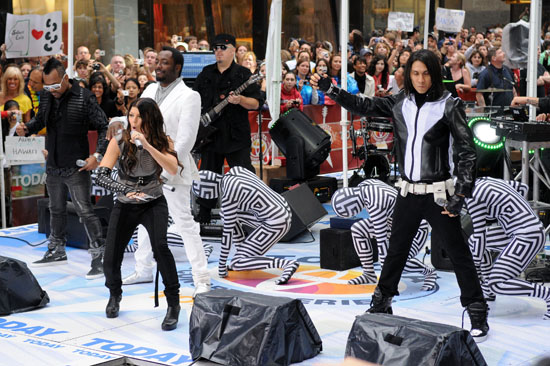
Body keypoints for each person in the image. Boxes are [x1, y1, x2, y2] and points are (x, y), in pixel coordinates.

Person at [311, 49, 489, 343]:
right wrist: (332, 90)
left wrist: (460, 196)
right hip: (407, 191)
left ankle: (477, 311)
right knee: (395, 252)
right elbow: (363, 104)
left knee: (459, 255)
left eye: (426, 73)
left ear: (435, 74)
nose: (420, 79)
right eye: (415, 73)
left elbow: (467, 154)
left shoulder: (450, 105)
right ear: (408, 75)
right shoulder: (399, 102)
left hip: (440, 194)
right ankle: (382, 303)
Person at [112, 47, 211, 297]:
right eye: (157, 62)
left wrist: (166, 171)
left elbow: (186, 140)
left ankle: (202, 277)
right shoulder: (148, 90)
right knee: (144, 223)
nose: (158, 66)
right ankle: (144, 268)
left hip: (172, 170)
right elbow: (133, 120)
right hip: (144, 168)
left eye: (164, 63)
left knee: (185, 223)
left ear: (177, 67)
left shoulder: (190, 96)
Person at [16, 57, 108, 278]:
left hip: (77, 166)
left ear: (66, 78)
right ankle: (56, 249)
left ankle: (100, 255)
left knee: (85, 210)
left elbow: (105, 126)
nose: (52, 90)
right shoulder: (47, 95)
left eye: (56, 85)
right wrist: (26, 129)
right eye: (48, 86)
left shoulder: (84, 97)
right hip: (53, 163)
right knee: (55, 209)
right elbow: (40, 121)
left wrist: (97, 155)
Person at [95, 98, 181, 330]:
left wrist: (147, 144)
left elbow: (172, 169)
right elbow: (100, 175)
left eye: (139, 117)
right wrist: (126, 190)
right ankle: (115, 295)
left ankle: (173, 304)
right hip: (126, 201)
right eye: (131, 116)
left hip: (153, 201)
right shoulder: (120, 139)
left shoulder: (163, 141)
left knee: (161, 248)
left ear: (150, 119)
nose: (133, 121)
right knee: (111, 253)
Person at [193, 33, 262, 224]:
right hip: (209, 136)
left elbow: (256, 103)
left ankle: (250, 212)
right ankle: (204, 214)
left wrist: (240, 100)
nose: (218, 51)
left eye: (222, 47)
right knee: (208, 175)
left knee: (244, 175)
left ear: (233, 49)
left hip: (235, 136)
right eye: (215, 48)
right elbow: (193, 99)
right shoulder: (206, 73)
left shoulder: (243, 74)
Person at [192, 168, 299, 284]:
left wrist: (222, 266)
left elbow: (227, 235)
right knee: (225, 214)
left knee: (236, 263)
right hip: (283, 209)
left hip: (276, 221)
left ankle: (286, 264)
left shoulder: (229, 194)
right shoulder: (236, 170)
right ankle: (243, 253)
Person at [465, 177, 550, 319]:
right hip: (526, 229)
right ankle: (487, 290)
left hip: (527, 235)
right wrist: (513, 213)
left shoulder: (472, 197)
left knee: (497, 283)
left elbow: (480, 235)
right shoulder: (485, 180)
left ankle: (546, 294)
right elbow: (523, 187)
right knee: (473, 241)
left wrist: (473, 270)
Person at [331, 179, 436, 288]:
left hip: (416, 229)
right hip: (394, 225)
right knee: (358, 229)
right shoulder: (364, 185)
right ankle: (368, 274)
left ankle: (429, 272)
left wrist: (386, 279)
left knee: (396, 260)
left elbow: (382, 242)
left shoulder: (375, 203)